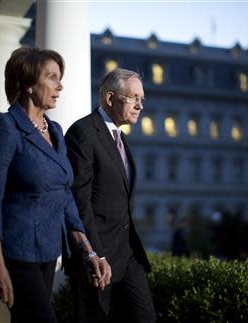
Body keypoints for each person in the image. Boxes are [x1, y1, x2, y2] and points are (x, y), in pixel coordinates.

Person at [0, 47, 111, 323]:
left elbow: (65, 196)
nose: (60, 85)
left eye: (60, 77)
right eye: (51, 77)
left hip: (49, 253)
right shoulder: (4, 127)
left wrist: (88, 251)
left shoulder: (56, 131)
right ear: (27, 83)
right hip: (16, 254)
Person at [64, 68, 157, 323]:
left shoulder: (120, 138)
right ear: (109, 98)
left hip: (128, 256)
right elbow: (78, 200)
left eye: (142, 99)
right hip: (97, 256)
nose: (140, 105)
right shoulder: (82, 133)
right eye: (134, 98)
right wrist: (93, 253)